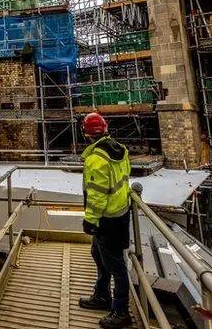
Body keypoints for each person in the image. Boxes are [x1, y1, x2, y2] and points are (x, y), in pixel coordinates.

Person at [77, 112, 133, 329]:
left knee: (116, 265)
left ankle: (121, 311)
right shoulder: (120, 150)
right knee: (98, 254)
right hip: (120, 213)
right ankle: (101, 295)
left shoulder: (96, 159)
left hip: (106, 219)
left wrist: (90, 220)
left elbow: (97, 193)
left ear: (86, 133)